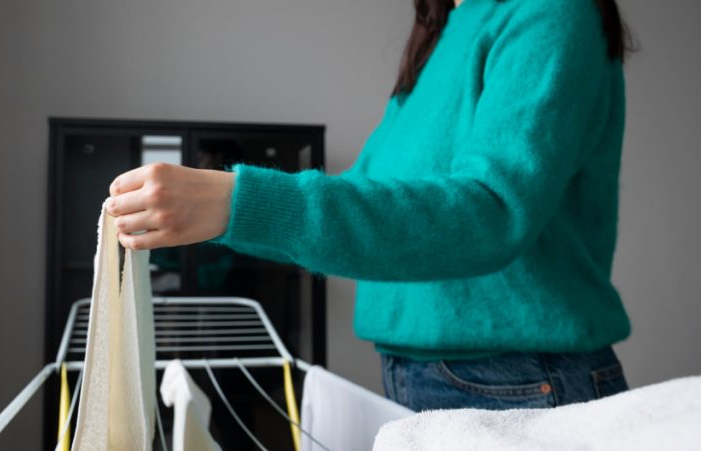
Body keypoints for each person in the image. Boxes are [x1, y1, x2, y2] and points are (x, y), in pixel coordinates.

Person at [105, 0, 635, 412]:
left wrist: (236, 202)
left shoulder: (550, 12)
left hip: (520, 380)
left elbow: (491, 211)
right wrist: (225, 208)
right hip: (420, 375)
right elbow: (368, 191)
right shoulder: (443, 34)